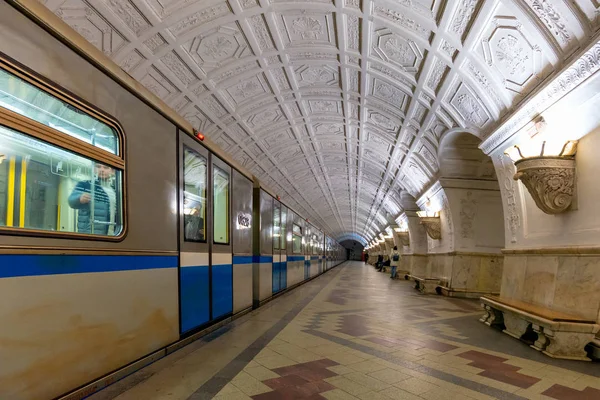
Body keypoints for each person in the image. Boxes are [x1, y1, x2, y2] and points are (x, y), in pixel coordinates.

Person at [68, 163, 117, 235]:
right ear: (94, 169)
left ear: (113, 171)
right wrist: (79, 198)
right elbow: (71, 201)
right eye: (98, 167)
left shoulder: (115, 190)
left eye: (106, 167)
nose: (101, 170)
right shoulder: (86, 185)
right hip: (91, 234)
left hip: (113, 235)